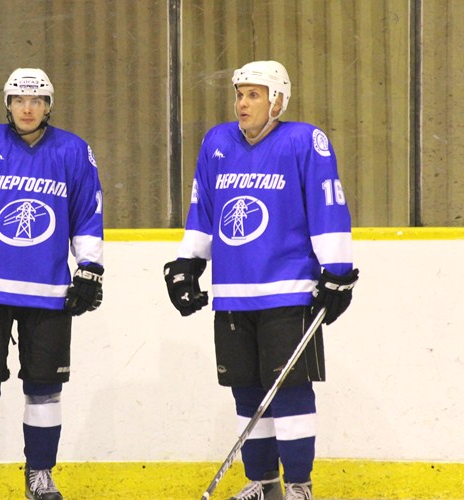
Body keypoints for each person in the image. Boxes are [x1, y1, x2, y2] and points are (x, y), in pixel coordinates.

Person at [163, 60, 358, 500]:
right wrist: (188, 262)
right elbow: (203, 208)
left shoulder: (304, 141)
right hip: (232, 293)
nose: (243, 103)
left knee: (288, 391)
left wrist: (338, 269)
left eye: (254, 94)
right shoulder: (217, 142)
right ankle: (263, 482)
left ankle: (299, 485)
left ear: (278, 101)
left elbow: (327, 205)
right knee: (247, 393)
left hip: (288, 291)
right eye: (240, 94)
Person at [0, 67, 104, 500]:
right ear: (7, 104)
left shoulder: (73, 151)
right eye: (19, 100)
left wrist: (90, 267)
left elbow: (87, 214)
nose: (27, 108)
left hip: (48, 293)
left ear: (49, 106)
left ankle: (40, 474)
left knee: (45, 390)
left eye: (37, 101)